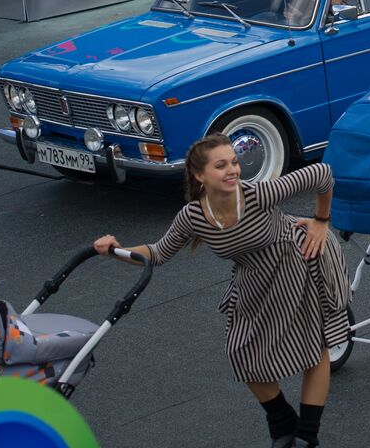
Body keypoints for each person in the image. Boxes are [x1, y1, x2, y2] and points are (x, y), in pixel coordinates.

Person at [92, 136, 348, 448]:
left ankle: (306, 436)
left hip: (299, 260)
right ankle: (282, 421)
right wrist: (115, 251)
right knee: (241, 351)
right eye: (221, 165)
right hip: (255, 279)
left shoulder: (257, 195)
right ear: (200, 175)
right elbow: (158, 253)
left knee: (313, 347)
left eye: (234, 162)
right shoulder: (194, 216)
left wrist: (322, 222)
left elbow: (321, 174)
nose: (233, 170)